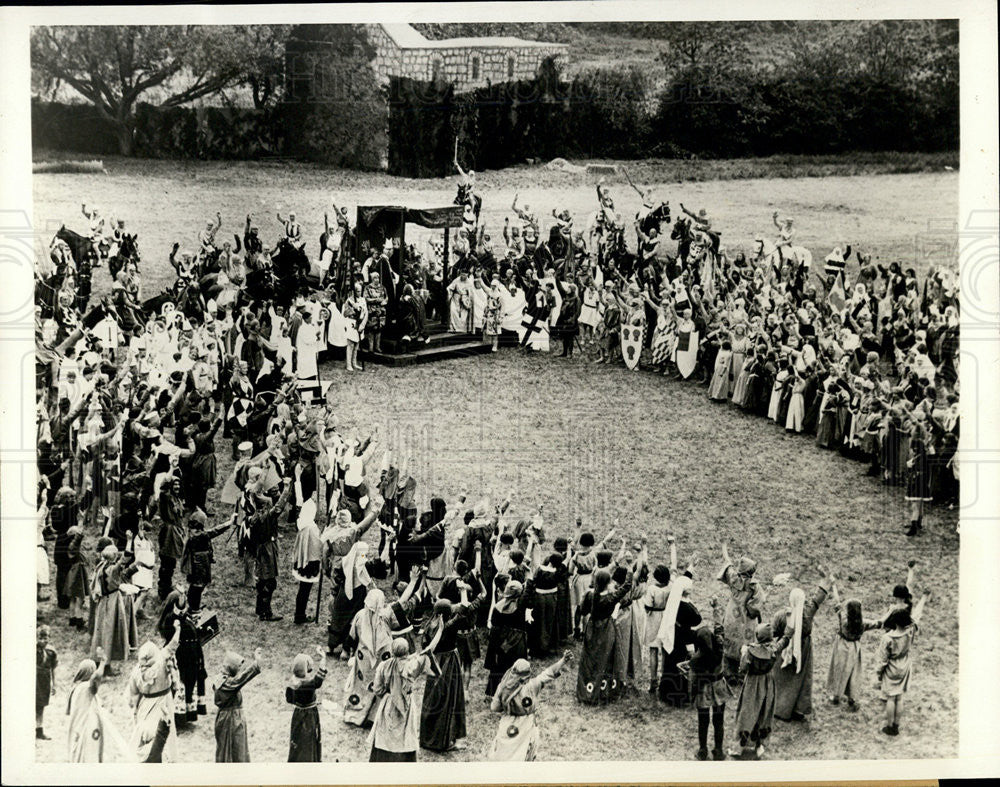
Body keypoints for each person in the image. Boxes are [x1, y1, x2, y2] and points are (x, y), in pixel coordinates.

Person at [485, 651, 573, 761]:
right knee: (523, 756)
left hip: (507, 726)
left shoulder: (503, 688)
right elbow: (548, 673)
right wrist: (563, 661)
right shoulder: (532, 686)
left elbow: (494, 707)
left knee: (503, 755)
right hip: (525, 727)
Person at [771, 567, 833, 722]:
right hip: (803, 651)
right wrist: (825, 580)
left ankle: (779, 708)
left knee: (782, 680)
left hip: (784, 649)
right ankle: (798, 709)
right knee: (800, 681)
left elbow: (772, 633)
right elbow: (819, 597)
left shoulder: (782, 615)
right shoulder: (808, 612)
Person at [419, 593, 480, 752]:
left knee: (433, 701)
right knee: (449, 701)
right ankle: (445, 741)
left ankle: (428, 737)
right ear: (447, 613)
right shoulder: (449, 626)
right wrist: (463, 591)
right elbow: (465, 609)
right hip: (448, 664)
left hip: (434, 665)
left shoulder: (429, 625)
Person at [368, 634, 441, 762]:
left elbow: (378, 689)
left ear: (392, 650)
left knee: (386, 733)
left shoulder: (383, 666)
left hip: (388, 703)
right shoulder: (412, 666)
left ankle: (383, 760)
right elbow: (434, 672)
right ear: (407, 651)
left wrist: (389, 694)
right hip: (407, 703)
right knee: (405, 733)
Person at [732, 622, 794, 760]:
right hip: (768, 683)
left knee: (747, 713)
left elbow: (742, 669)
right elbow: (784, 641)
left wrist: (743, 653)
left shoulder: (749, 651)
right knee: (764, 713)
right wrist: (789, 630)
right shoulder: (773, 650)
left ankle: (740, 746)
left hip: (752, 685)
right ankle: (759, 745)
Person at [576, 567, 634, 705]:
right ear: (608, 583)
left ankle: (587, 688)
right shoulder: (610, 598)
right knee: (607, 658)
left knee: (590, 658)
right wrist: (630, 568)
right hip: (606, 629)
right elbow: (627, 586)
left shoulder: (590, 595)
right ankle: (604, 690)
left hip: (592, 628)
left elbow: (583, 611)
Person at [877, 591, 931, 736]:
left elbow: (882, 660)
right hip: (905, 664)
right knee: (899, 697)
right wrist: (924, 598)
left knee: (890, 698)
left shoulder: (887, 638)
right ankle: (896, 725)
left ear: (895, 622)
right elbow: (916, 617)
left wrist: (879, 674)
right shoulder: (910, 631)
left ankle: (889, 727)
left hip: (892, 668)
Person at [826, 583, 881, 711]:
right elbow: (879, 623)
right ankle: (852, 698)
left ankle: (836, 697)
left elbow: (837, 601)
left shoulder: (844, 621)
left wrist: (833, 585)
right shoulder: (864, 623)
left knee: (840, 672)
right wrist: (890, 612)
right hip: (855, 650)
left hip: (842, 648)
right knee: (853, 673)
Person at [688, 599, 732, 761]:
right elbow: (720, 628)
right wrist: (715, 608)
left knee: (703, 721)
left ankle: (702, 750)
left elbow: (692, 681)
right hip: (719, 686)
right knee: (719, 721)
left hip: (704, 690)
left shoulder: (695, 661)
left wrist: (692, 694)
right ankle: (719, 751)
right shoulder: (719, 647)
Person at [128, 628, 180, 763]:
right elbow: (174, 644)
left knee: (145, 733)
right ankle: (167, 760)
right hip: (164, 703)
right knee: (165, 733)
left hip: (145, 705)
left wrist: (135, 711)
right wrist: (178, 628)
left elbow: (133, 697)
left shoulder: (136, 671)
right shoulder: (162, 660)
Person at [343, 588, 393, 727]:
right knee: (378, 686)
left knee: (361, 686)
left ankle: (358, 713)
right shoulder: (386, 617)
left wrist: (347, 650)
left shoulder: (360, 615)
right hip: (380, 660)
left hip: (364, 658)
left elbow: (352, 636)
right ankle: (373, 717)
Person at [157, 589, 207, 725]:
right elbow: (171, 633)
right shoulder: (170, 619)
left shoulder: (183, 616)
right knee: (181, 684)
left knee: (190, 684)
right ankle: (177, 717)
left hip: (191, 656)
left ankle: (187, 715)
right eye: (181, 600)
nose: (184, 601)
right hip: (182, 657)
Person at [717, 545, 766, 682]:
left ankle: (728, 672)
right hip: (746, 619)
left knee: (730, 640)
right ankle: (741, 673)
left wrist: (724, 548)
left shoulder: (733, 577)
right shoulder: (755, 586)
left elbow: (728, 563)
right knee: (745, 642)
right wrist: (751, 609)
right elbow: (757, 605)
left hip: (732, 614)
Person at [67, 648, 119, 762]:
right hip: (86, 724)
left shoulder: (76, 687)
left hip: (77, 725)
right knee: (88, 750)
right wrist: (103, 663)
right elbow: (96, 678)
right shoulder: (86, 688)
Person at [214, 647, 263, 762]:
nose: (239, 669)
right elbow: (241, 679)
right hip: (231, 720)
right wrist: (256, 664)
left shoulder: (222, 678)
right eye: (238, 667)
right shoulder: (226, 683)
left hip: (230, 719)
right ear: (231, 666)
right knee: (235, 749)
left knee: (235, 749)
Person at [179, 509, 229, 614]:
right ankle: (194, 608)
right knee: (198, 586)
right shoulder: (198, 536)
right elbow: (213, 532)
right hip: (199, 564)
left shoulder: (193, 534)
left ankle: (193, 607)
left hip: (200, 562)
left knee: (197, 586)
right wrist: (228, 524)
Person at [286, 646, 328, 762]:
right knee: (308, 740)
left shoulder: (293, 683)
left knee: (298, 739)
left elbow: (289, 699)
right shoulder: (306, 685)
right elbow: (318, 680)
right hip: (309, 715)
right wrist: (323, 658)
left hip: (297, 714)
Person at [36, 625, 58, 740]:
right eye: (41, 638)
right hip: (34, 680)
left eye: (46, 638)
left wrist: (54, 684)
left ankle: (39, 730)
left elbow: (53, 668)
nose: (43, 641)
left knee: (41, 705)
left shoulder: (51, 652)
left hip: (44, 681)